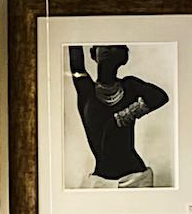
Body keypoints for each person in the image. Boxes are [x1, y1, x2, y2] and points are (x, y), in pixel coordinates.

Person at [67, 42, 168, 188]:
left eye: (115, 46)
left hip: (135, 179)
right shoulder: (86, 89)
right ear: (92, 53)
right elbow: (75, 60)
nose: (108, 48)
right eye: (103, 44)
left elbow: (160, 96)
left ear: (124, 56)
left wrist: (125, 115)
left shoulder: (130, 86)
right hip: (100, 181)